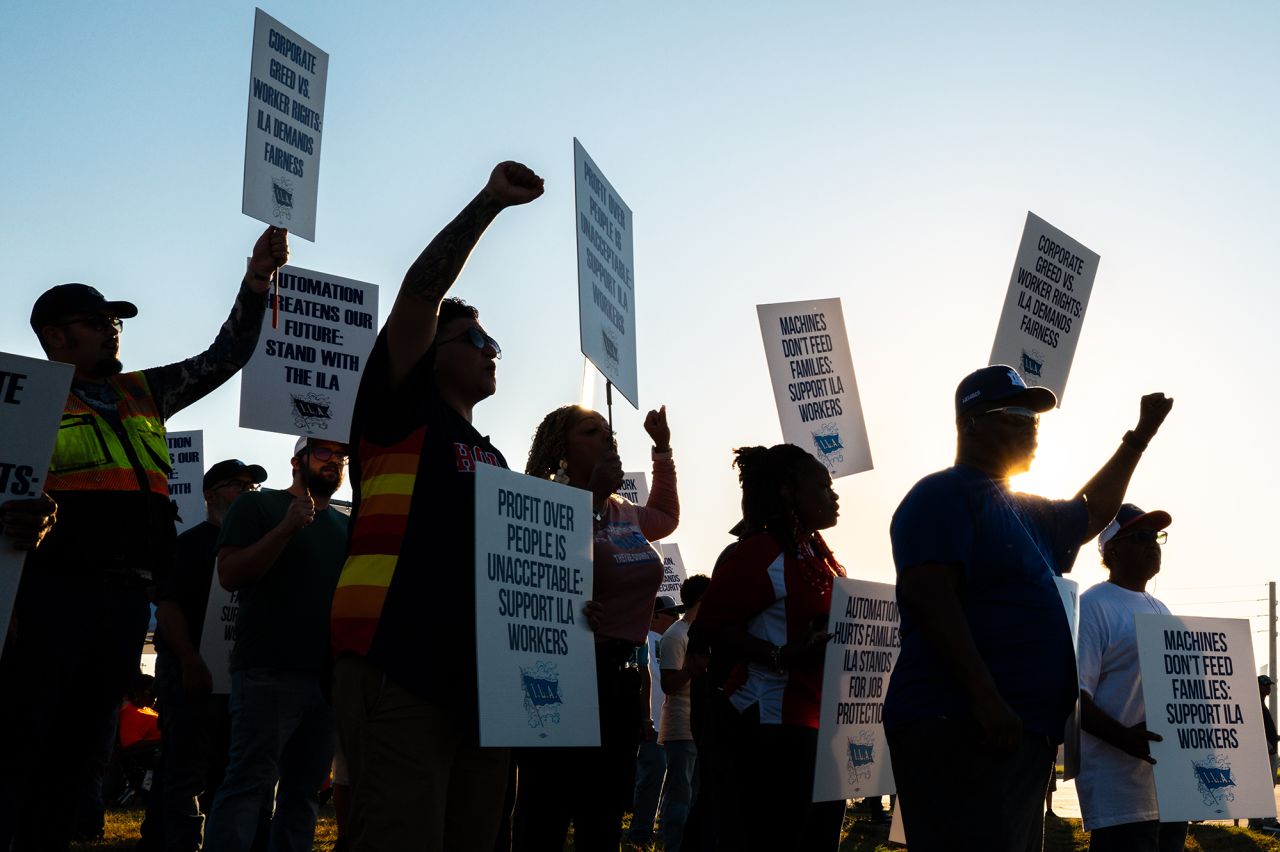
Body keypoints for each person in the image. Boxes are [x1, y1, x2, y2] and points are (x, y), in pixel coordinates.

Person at [0, 226, 287, 852]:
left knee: (87, 747)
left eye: (117, 321)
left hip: (130, 602)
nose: (113, 330)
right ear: (55, 337)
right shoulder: (22, 403)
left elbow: (226, 355)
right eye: (96, 321)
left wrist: (256, 282)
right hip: (52, 596)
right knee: (31, 741)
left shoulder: (143, 392)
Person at [328, 161, 544, 852]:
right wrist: (488, 205)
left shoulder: (491, 454)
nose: (491, 354)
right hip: (400, 659)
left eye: (495, 344)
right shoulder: (398, 410)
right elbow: (420, 295)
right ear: (430, 354)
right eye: (477, 340)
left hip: (484, 682)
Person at [884, 364, 1172, 852]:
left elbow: (1091, 509)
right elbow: (930, 598)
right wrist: (986, 697)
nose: (1032, 428)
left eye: (1035, 419)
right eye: (1017, 415)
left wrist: (1139, 437)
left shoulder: (1025, 510)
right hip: (958, 725)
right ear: (971, 423)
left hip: (1014, 733)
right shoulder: (941, 494)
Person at [514, 403, 680, 851]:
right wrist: (587, 502)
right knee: (545, 810)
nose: (607, 438)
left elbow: (665, 516)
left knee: (602, 815)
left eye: (609, 432)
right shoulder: (542, 501)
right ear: (561, 450)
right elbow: (543, 570)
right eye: (591, 431)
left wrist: (661, 449)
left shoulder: (624, 512)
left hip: (621, 679)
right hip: (566, 676)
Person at [690, 444, 847, 852]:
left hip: (815, 722)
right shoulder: (761, 551)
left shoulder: (815, 554)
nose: (834, 496)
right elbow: (709, 626)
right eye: (823, 487)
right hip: (767, 724)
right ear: (788, 493)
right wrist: (779, 655)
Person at [203, 437, 351, 851]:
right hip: (268, 671)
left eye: (340, 456)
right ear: (296, 460)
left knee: (302, 796)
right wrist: (286, 528)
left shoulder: (344, 524)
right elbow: (230, 573)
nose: (334, 461)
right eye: (324, 453)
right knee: (248, 786)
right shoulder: (258, 506)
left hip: (325, 680)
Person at [152, 458, 271, 852]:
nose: (247, 492)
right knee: (185, 772)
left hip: (239, 677)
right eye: (237, 484)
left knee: (233, 770)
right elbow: (168, 607)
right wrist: (189, 660)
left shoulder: (258, 548)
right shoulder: (187, 544)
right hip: (191, 674)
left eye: (251, 487)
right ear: (210, 494)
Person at [1076, 503, 1186, 851]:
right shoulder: (1093, 606)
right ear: (1113, 549)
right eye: (1141, 537)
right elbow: (1075, 696)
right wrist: (1125, 738)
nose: (1152, 544)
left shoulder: (1160, 608)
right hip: (1120, 794)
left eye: (1155, 537)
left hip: (1168, 790)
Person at [657, 574, 712, 852]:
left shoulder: (703, 633)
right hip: (681, 727)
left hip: (700, 726)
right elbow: (668, 684)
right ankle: (673, 845)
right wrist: (692, 668)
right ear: (702, 600)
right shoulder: (676, 635)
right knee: (680, 796)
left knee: (696, 797)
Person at [626, 596, 681, 849]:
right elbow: (642, 675)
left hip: (670, 723)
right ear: (655, 615)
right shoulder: (643, 638)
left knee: (664, 779)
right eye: (671, 614)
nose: (676, 618)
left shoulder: (674, 639)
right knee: (652, 773)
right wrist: (643, 717)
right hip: (650, 723)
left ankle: (653, 827)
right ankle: (640, 833)